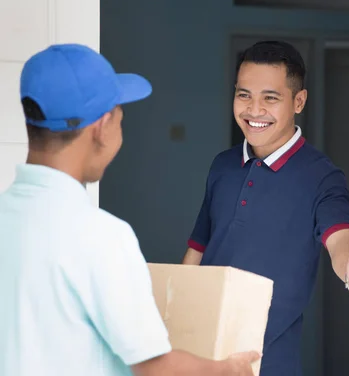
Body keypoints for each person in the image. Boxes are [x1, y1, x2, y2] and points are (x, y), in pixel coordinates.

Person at [0, 44, 259, 376]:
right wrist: (228, 370)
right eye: (121, 116)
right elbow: (154, 368)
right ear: (103, 126)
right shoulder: (101, 237)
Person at [182, 41, 349, 375]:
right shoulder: (222, 165)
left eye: (270, 98)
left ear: (299, 101)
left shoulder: (320, 176)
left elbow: (340, 237)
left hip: (267, 363)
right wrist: (173, 318)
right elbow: (198, 246)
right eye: (244, 94)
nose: (254, 109)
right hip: (199, 353)